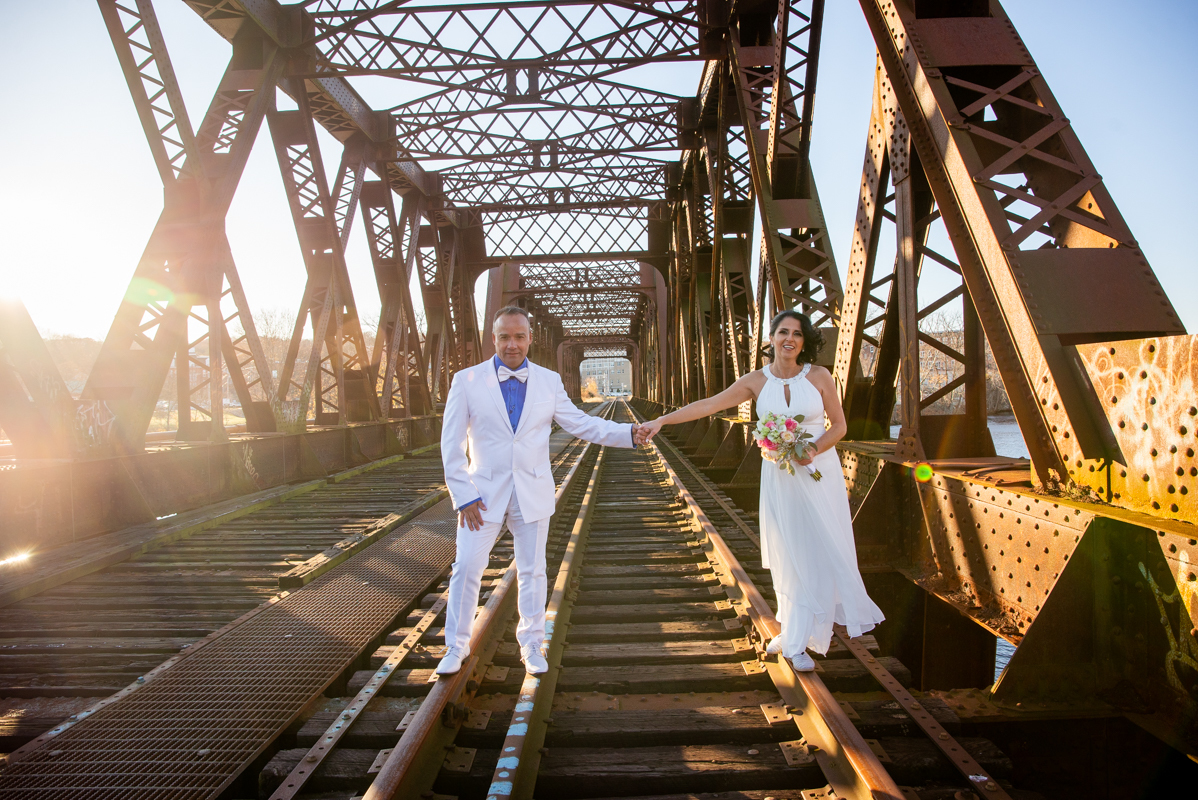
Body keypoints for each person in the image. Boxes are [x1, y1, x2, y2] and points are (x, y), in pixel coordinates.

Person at [636, 310, 884, 671]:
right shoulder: (756, 380)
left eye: (797, 334)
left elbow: (840, 425)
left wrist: (812, 449)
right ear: (771, 339)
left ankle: (799, 641)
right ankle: (791, 630)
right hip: (780, 478)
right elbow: (708, 405)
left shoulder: (819, 376)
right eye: (782, 332)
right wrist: (662, 420)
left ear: (804, 341)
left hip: (817, 475)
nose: (789, 339)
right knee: (787, 550)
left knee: (814, 548)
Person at [437, 306, 640, 675]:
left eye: (519, 336)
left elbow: (581, 424)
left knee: (532, 569)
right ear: (493, 338)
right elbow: (451, 444)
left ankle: (531, 644)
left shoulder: (549, 381)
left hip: (532, 489)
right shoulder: (466, 381)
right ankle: (456, 645)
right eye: (504, 336)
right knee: (466, 566)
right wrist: (463, 494)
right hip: (480, 496)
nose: (511, 344)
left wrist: (629, 433)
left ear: (530, 337)